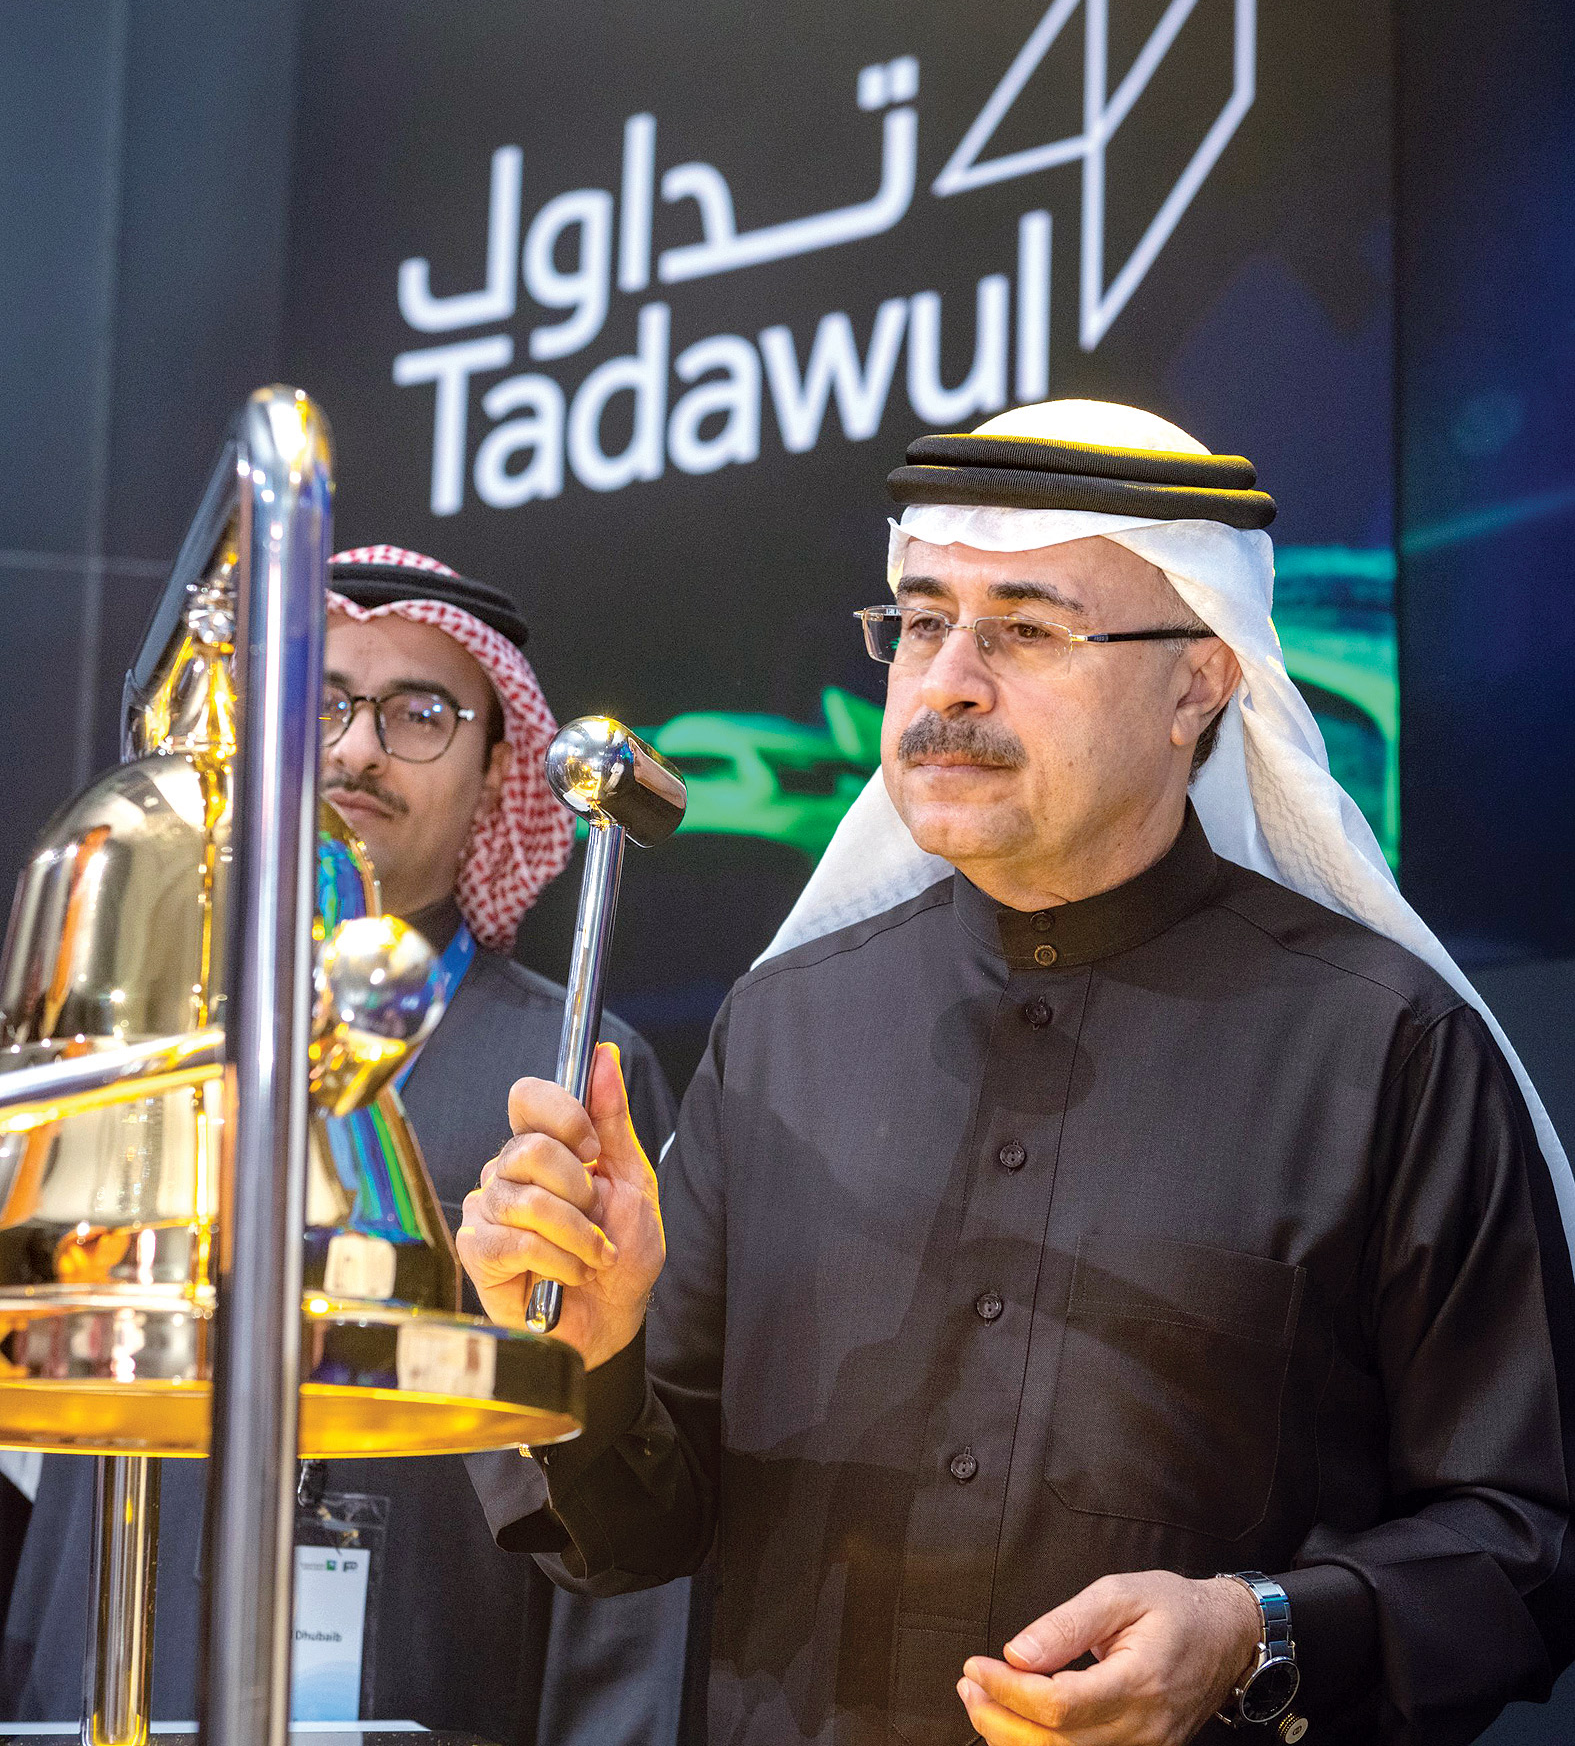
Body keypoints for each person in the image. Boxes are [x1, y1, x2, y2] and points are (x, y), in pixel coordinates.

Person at [459, 401, 1575, 1746]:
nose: (947, 683)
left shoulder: (1383, 1044)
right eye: (920, 622)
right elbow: (640, 1533)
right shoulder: (782, 1030)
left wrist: (1253, 1628)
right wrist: (588, 1363)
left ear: (1197, 683)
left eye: (1026, 630)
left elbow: (1523, 1537)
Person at [1, 547, 694, 1746]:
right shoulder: (142, 1032)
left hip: (432, 1688)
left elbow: (622, 1517)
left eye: (419, 713)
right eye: (320, 703)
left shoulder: (574, 1073)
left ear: (500, 769)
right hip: (101, 1677)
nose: (358, 748)